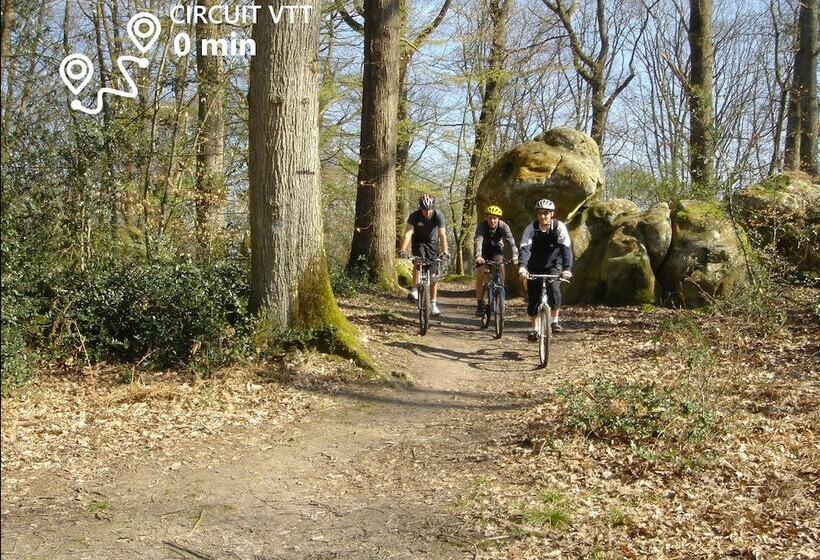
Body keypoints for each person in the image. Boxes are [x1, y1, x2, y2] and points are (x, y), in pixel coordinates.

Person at [518, 198, 573, 340]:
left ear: (552, 214)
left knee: (554, 289)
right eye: (540, 213)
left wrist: (567, 268)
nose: (543, 216)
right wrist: (522, 267)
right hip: (535, 266)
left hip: (554, 265)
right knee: (533, 299)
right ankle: (535, 330)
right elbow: (525, 249)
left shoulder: (559, 227)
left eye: (546, 213)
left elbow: (566, 249)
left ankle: (555, 321)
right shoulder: (531, 229)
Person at [399, 194, 449, 316]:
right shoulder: (414, 216)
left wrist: (445, 252)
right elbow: (408, 234)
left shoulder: (438, 215)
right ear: (420, 208)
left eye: (429, 209)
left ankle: (433, 304)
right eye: (424, 209)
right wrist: (402, 250)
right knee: (418, 261)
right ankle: (415, 289)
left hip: (433, 245)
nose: (427, 212)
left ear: (433, 207)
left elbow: (442, 235)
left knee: (433, 277)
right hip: (419, 243)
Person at [473, 205, 518, 317]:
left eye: (495, 218)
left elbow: (511, 241)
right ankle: (480, 303)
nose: (492, 221)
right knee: (480, 274)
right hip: (484, 249)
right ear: (486, 218)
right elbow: (478, 241)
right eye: (490, 218)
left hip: (497, 248)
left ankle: (501, 292)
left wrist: (515, 255)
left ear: (498, 219)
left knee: (501, 265)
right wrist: (478, 256)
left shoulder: (503, 226)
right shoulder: (482, 226)